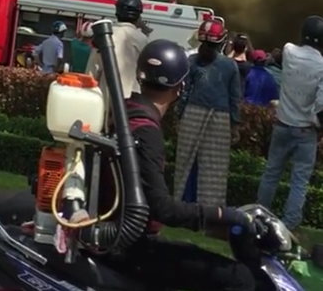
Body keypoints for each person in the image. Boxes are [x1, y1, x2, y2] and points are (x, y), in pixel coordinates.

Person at [119, 39, 254, 291]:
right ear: (180, 87)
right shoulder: (147, 131)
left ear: (140, 77)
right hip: (136, 249)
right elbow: (164, 209)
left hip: (120, 240)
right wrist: (223, 214)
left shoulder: (123, 113)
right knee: (240, 278)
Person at [257, 15, 323, 233]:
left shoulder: (289, 51)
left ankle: (260, 215)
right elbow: (321, 104)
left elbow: (276, 56)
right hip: (306, 130)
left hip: (282, 125)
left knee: (271, 173)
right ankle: (289, 224)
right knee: (299, 181)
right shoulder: (322, 65)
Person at [174, 16, 241, 205]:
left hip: (192, 115)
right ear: (221, 42)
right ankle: (209, 207)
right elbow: (235, 98)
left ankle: (183, 203)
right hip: (220, 120)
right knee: (214, 168)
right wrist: (235, 125)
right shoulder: (230, 65)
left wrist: (179, 115)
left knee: (186, 162)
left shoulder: (191, 61)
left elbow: (184, 92)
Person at [87, 0, 148, 97]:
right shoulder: (142, 39)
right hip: (133, 101)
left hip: (105, 98)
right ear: (138, 15)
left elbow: (91, 72)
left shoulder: (105, 35)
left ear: (117, 12)